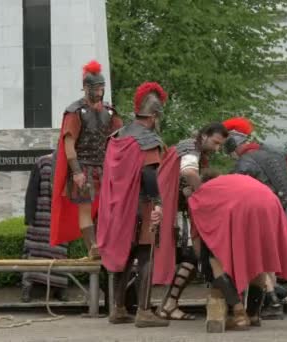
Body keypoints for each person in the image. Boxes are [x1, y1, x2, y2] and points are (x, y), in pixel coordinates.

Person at [188, 172, 287, 330]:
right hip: (269, 201)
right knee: (257, 257)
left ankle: (239, 315)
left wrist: (204, 263)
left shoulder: (202, 194)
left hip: (246, 205)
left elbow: (198, 236)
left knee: (215, 261)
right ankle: (253, 314)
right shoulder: (232, 180)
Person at [97, 81, 173, 328]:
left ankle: (118, 309)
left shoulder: (117, 136)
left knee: (125, 255)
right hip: (142, 206)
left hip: (116, 208)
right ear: (154, 115)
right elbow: (150, 175)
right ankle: (143, 311)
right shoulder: (148, 139)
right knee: (145, 254)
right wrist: (159, 204)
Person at [222, 116, 287, 319]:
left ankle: (272, 298)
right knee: (270, 256)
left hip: (262, 213)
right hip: (286, 210)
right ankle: (272, 297)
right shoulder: (276, 150)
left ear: (233, 141)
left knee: (260, 256)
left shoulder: (243, 163)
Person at [50, 60, 123, 260]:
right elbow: (69, 145)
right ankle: (92, 248)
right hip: (83, 166)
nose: (100, 92)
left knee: (104, 207)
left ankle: (104, 244)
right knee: (85, 207)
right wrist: (76, 172)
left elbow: (119, 140)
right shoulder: (75, 112)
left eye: (102, 87)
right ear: (86, 88)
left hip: (103, 166)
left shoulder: (109, 112)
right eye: (96, 88)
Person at [155, 122, 228, 321]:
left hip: (177, 210)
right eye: (215, 142)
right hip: (176, 214)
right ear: (204, 136)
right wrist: (206, 195)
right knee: (191, 258)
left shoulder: (191, 148)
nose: (217, 148)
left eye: (220, 145)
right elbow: (188, 172)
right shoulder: (191, 148)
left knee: (191, 258)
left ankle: (166, 305)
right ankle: (169, 305)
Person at [21, 151, 68, 302]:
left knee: (59, 254)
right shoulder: (42, 162)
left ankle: (59, 289)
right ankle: (27, 289)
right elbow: (32, 190)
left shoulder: (70, 165)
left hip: (59, 218)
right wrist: (29, 216)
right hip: (40, 216)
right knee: (34, 252)